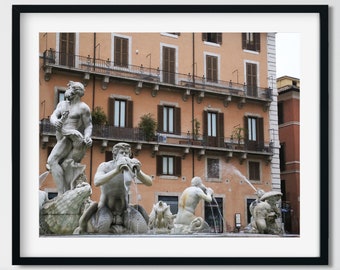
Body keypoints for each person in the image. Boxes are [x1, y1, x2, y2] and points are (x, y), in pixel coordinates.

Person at [91, 143, 152, 232]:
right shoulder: (105, 166)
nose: (124, 155)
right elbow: (96, 181)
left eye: (127, 153)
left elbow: (149, 182)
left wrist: (138, 172)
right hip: (106, 207)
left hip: (125, 210)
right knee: (102, 227)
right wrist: (116, 170)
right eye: (122, 152)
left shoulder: (130, 167)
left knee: (141, 228)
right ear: (115, 156)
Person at [46, 81, 92, 195]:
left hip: (70, 137)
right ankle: (66, 191)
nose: (67, 90)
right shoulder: (62, 104)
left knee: (52, 161)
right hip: (60, 135)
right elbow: (53, 115)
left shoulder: (83, 108)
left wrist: (87, 137)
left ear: (75, 91)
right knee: (62, 164)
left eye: (69, 88)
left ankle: (61, 194)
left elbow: (89, 125)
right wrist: (55, 121)